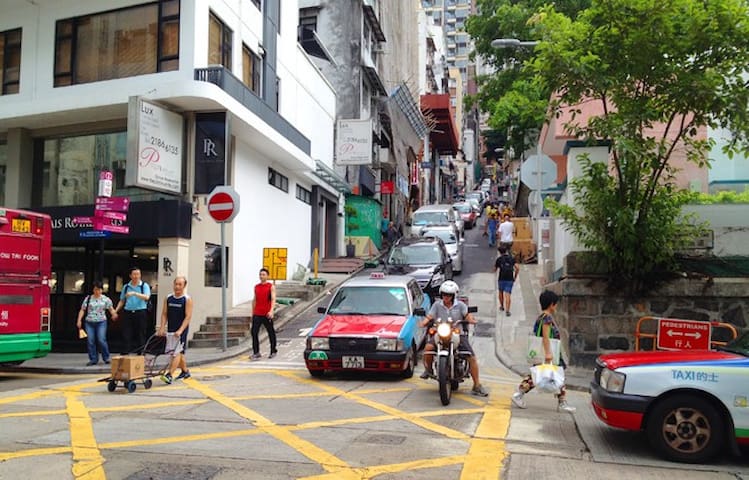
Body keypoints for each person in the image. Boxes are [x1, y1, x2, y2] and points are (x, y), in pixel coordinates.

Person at [419, 281, 489, 397]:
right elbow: (430, 316)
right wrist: (424, 322)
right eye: (444, 294)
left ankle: (477, 385)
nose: (446, 297)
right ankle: (429, 370)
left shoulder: (460, 305)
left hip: (457, 334)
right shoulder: (437, 305)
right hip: (440, 333)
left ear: (453, 296)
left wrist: (471, 320)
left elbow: (467, 315)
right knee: (428, 349)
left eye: (449, 295)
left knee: (471, 356)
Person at [511, 290, 576, 413]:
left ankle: (561, 401)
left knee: (543, 376)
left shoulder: (543, 317)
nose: (556, 306)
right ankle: (518, 395)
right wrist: (548, 353)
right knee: (543, 376)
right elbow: (545, 337)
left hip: (548, 353)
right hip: (548, 353)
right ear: (551, 304)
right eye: (556, 304)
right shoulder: (546, 319)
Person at [158, 276, 193, 384]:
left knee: (176, 352)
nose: (177, 287)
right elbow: (164, 314)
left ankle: (169, 375)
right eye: (176, 284)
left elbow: (188, 317)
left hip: (181, 330)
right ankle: (185, 371)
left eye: (180, 285)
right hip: (171, 329)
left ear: (184, 286)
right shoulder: (168, 298)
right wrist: (162, 327)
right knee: (178, 352)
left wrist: (181, 330)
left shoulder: (187, 299)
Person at [76, 281, 117, 366]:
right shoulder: (88, 298)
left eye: (99, 289)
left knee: (101, 339)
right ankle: (93, 359)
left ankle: (106, 357)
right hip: (89, 322)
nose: (97, 291)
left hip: (101, 321)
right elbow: (82, 309)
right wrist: (79, 320)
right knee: (90, 341)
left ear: (102, 290)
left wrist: (114, 314)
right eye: (95, 289)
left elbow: (111, 309)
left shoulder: (105, 299)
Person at [114, 267, 151, 354]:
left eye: (138, 274)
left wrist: (134, 293)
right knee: (126, 332)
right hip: (128, 312)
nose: (136, 276)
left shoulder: (144, 285)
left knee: (141, 332)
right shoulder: (126, 286)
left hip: (141, 311)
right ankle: (126, 351)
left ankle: (141, 351)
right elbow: (122, 300)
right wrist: (116, 311)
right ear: (130, 276)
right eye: (134, 274)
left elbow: (147, 297)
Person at [251, 268, 278, 360]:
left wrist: (271, 311)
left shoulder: (271, 286)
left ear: (267, 276)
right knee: (254, 332)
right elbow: (254, 300)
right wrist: (253, 312)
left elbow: (273, 299)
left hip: (267, 313)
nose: (261, 276)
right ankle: (256, 352)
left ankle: (273, 350)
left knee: (271, 332)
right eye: (260, 274)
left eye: (263, 274)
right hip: (257, 313)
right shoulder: (256, 287)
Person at [494, 246, 519, 316]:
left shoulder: (499, 259)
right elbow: (517, 268)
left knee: (500, 292)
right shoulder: (511, 259)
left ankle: (502, 306)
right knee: (507, 294)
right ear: (506, 251)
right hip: (509, 279)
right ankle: (507, 311)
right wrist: (515, 276)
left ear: (499, 252)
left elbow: (494, 269)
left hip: (501, 278)